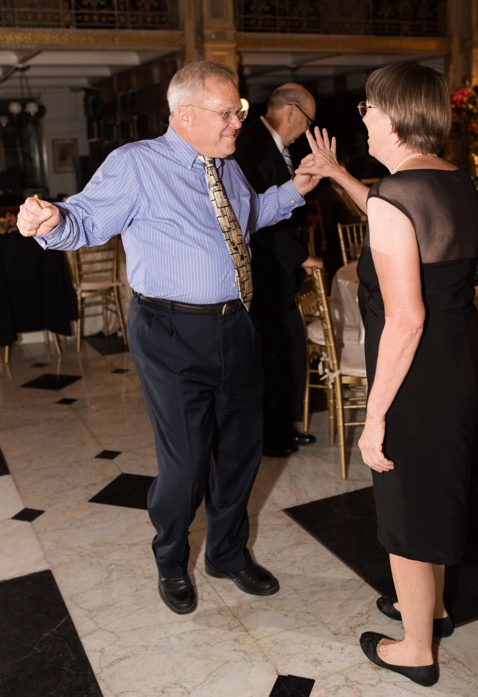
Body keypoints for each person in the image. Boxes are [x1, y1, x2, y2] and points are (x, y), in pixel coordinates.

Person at [16, 60, 338, 615]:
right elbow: (86, 221)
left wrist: (296, 188)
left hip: (236, 323)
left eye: (238, 110)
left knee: (241, 448)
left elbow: (250, 214)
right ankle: (170, 559)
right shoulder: (137, 165)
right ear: (185, 114)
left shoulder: (226, 163)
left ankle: (228, 554)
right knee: (187, 463)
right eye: (227, 113)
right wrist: (49, 223)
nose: (239, 121)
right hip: (169, 330)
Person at [342, 62, 478, 687]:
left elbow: (404, 321)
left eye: (370, 107)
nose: (364, 118)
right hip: (457, 361)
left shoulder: (391, 196)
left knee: (404, 504)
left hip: (413, 374)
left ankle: (416, 647)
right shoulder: (456, 180)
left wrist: (374, 420)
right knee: (438, 491)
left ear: (394, 116)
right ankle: (437, 608)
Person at [234, 82, 324, 456]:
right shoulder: (250, 142)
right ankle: (271, 435)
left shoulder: (277, 147)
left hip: (280, 268)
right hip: (266, 267)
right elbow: (255, 212)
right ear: (292, 111)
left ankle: (282, 426)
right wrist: (299, 254)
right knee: (273, 349)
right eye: (308, 122)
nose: (307, 130)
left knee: (286, 348)